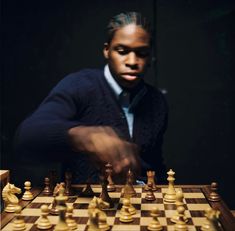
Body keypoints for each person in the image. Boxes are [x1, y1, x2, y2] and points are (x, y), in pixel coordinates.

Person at [14, 12, 168, 184]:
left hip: (141, 205)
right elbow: (26, 136)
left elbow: (155, 165)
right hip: (89, 207)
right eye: (122, 51)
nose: (132, 61)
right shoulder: (79, 85)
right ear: (106, 50)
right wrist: (83, 136)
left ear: (150, 57)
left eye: (142, 53)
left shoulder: (157, 101)